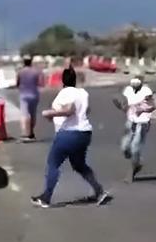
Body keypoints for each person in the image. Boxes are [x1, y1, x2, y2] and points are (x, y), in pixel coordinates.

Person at [31, 67, 110, 208]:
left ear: (63, 80)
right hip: (84, 133)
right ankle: (99, 191)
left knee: (53, 164)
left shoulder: (65, 93)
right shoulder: (82, 93)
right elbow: (86, 110)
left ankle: (46, 198)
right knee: (79, 164)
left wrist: (49, 113)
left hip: (68, 133)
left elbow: (69, 110)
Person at [116, 75, 156, 181]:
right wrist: (121, 107)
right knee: (125, 147)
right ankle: (136, 163)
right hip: (131, 121)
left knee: (135, 147)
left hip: (143, 122)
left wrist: (143, 110)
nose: (135, 89)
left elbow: (153, 106)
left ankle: (132, 171)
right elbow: (127, 105)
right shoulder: (128, 90)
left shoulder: (146, 91)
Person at [16, 57, 43, 141]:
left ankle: (25, 134)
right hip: (34, 94)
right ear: (31, 62)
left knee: (25, 114)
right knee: (33, 114)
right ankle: (31, 133)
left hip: (24, 95)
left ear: (24, 62)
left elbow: (17, 83)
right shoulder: (36, 71)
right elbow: (40, 83)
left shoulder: (20, 72)